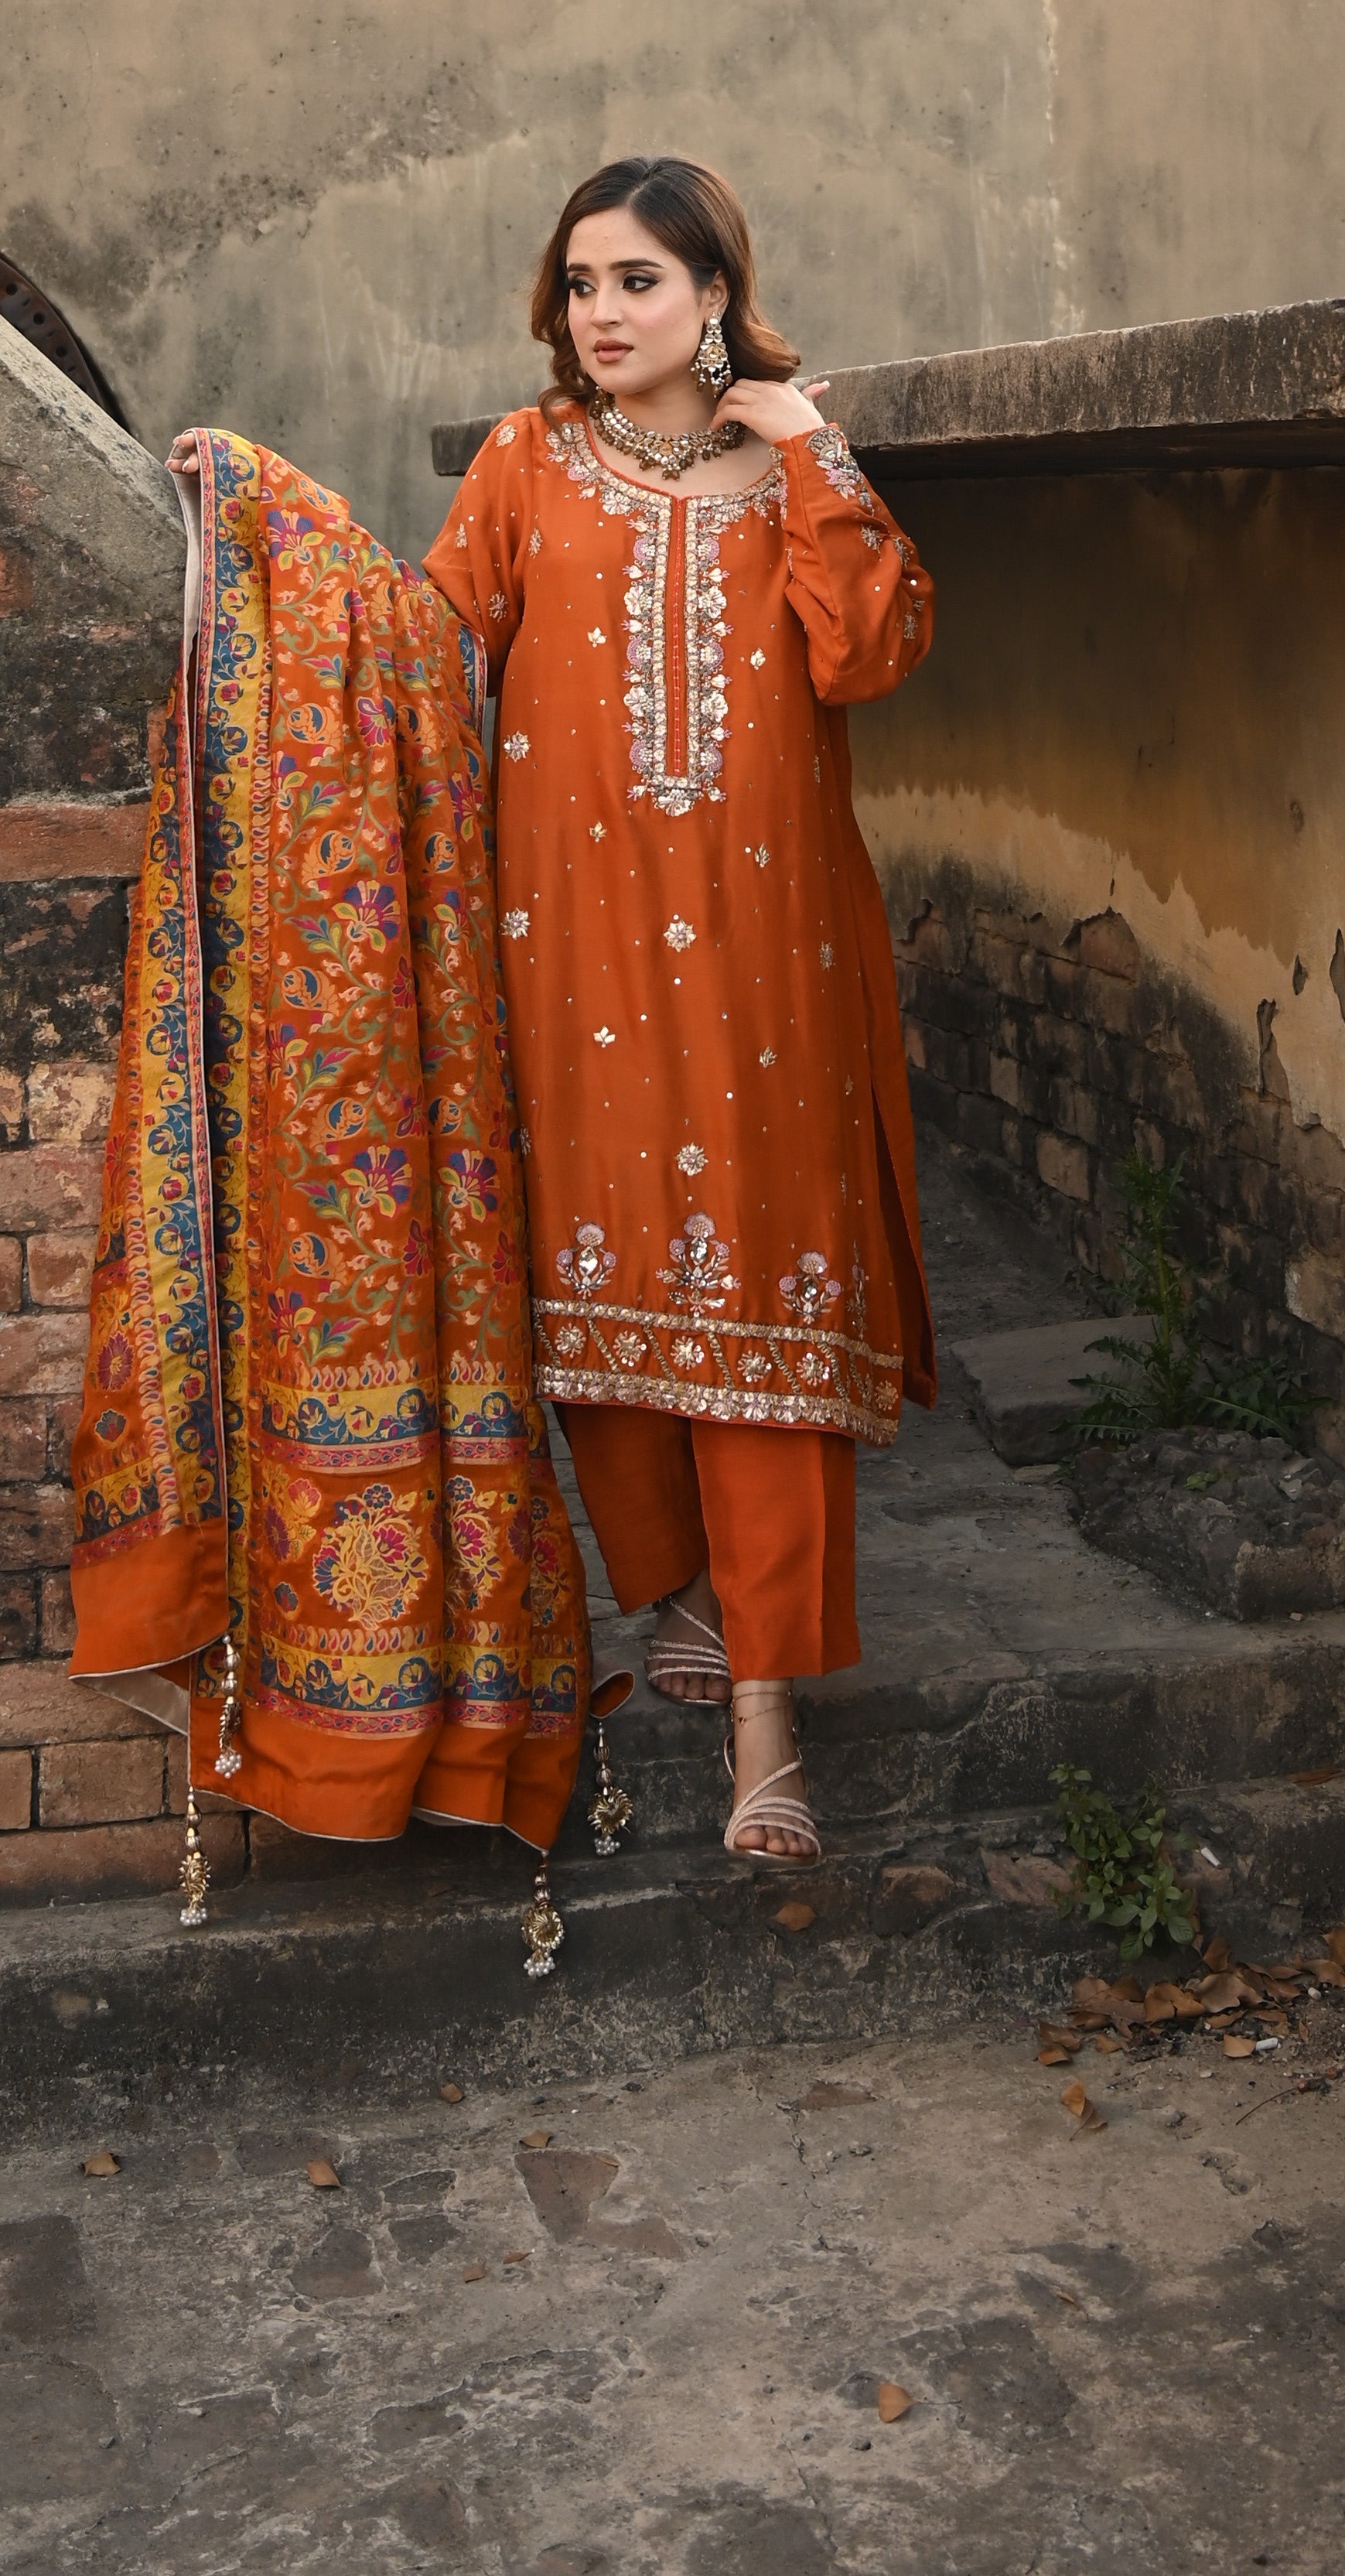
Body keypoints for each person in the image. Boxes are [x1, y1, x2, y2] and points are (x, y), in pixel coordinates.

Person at [423, 155, 935, 1866]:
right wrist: (252, 532)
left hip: (762, 964)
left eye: (636, 281)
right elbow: (422, 663)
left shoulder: (793, 473)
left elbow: (865, 656)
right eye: (579, 286)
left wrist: (807, 448)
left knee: (766, 1334)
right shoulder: (522, 466)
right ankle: (679, 1597)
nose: (601, 316)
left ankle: (766, 1734)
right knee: (593, 1308)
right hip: (561, 955)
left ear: (713, 293)